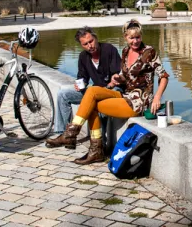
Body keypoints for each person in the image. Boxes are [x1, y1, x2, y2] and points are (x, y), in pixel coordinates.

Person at [57, 18, 169, 165]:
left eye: (138, 37)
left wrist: (157, 97)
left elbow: (163, 76)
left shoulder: (149, 52)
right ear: (125, 37)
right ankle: (88, 144)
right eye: (131, 38)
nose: (135, 41)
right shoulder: (125, 51)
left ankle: (77, 137)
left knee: (92, 104)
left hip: (139, 101)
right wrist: (117, 78)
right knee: (93, 91)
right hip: (125, 94)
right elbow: (125, 76)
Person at [46, 27, 121, 149]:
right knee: (63, 94)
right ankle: (66, 136)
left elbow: (116, 74)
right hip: (94, 90)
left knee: (98, 102)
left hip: (112, 90)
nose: (90, 46)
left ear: (95, 38)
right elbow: (82, 77)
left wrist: (114, 79)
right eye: (85, 44)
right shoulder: (83, 57)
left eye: (91, 41)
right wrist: (80, 84)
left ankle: (101, 144)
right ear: (81, 45)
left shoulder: (109, 49)